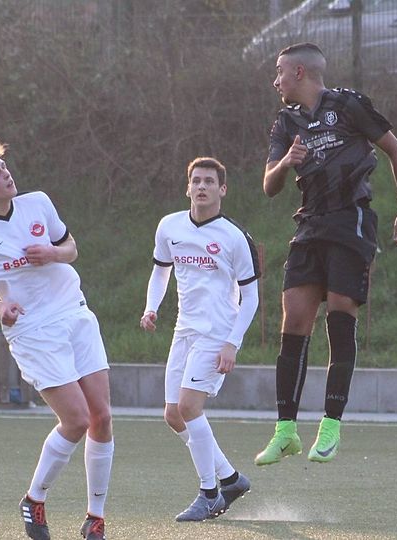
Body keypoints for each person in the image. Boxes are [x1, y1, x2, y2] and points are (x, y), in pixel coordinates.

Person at [254, 43, 397, 465]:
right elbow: (269, 186)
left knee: (341, 313)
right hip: (309, 226)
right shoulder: (285, 122)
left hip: (350, 221)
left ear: (300, 72)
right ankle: (285, 431)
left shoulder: (348, 105)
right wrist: (286, 162)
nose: (275, 81)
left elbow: (396, 150)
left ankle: (330, 425)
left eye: (280, 72)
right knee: (294, 319)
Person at [0, 138, 113, 540]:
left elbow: (71, 247)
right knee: (76, 420)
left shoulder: (38, 202)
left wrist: (53, 253)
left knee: (102, 417)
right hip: (33, 330)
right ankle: (34, 499)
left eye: (3, 166)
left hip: (75, 313)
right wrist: (0, 307)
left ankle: (95, 518)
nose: (6, 174)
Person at [140, 157, 260, 521]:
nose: (202, 186)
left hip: (217, 333)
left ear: (222, 189)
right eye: (196, 181)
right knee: (173, 415)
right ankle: (231, 479)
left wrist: (232, 343)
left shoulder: (235, 237)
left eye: (209, 181)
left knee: (189, 407)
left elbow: (251, 297)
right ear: (187, 188)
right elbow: (160, 271)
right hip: (184, 330)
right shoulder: (169, 226)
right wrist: (151, 308)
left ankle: (210, 494)